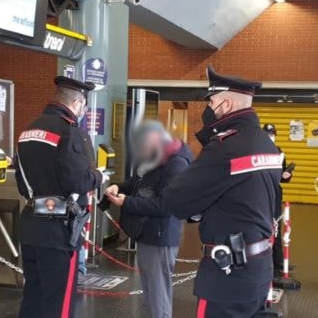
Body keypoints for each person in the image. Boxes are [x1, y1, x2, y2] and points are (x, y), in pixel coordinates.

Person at [138, 66, 282, 317]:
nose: (209, 109)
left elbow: (174, 200)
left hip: (227, 278)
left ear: (226, 104)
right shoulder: (266, 144)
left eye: (212, 102)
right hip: (259, 268)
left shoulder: (225, 147)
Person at [15, 76, 108, 318]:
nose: (83, 112)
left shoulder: (28, 130)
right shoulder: (70, 133)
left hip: (30, 225)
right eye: (83, 107)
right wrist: (99, 176)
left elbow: (21, 181)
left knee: (33, 298)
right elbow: (79, 181)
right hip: (60, 231)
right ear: (76, 103)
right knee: (59, 303)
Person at [105, 120, 192, 318]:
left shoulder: (176, 164)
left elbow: (165, 206)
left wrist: (126, 202)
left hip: (160, 236)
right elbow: (138, 183)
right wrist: (119, 187)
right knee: (151, 292)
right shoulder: (158, 157)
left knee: (158, 294)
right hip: (147, 233)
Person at [261, 123, 292, 274]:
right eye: (267, 134)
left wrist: (287, 175)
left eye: (272, 134)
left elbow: (282, 177)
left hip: (275, 193)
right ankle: (262, 259)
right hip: (261, 193)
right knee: (262, 226)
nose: (270, 137)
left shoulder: (280, 153)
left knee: (276, 227)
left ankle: (278, 260)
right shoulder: (256, 152)